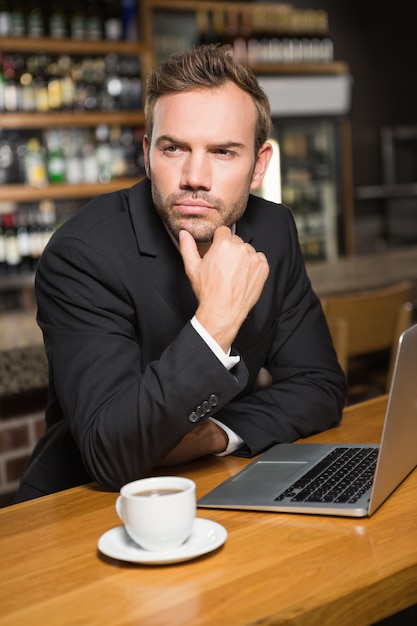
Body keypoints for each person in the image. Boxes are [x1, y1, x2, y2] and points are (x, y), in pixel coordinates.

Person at [15, 44, 347, 502]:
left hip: (213, 483)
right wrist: (215, 323)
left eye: (224, 152)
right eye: (175, 148)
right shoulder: (81, 255)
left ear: (259, 165)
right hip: (79, 506)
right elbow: (111, 453)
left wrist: (214, 435)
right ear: (148, 154)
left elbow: (320, 386)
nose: (195, 176)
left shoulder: (274, 231)